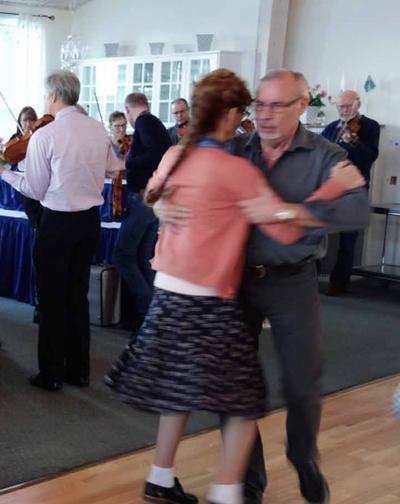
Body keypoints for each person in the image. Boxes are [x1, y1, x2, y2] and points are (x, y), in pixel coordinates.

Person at [106, 68, 362, 504]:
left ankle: (171, 476)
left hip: (225, 287)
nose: (259, 115)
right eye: (254, 106)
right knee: (241, 399)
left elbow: (151, 191)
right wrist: (327, 193)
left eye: (273, 105)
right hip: (221, 291)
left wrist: (165, 204)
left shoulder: (179, 155)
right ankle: (235, 490)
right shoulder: (235, 159)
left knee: (201, 388)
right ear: (232, 113)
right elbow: (275, 227)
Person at [0, 70, 122, 392]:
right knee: (76, 297)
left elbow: (34, 188)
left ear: (54, 96)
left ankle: (51, 374)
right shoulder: (98, 129)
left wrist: (4, 172)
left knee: (51, 299)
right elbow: (115, 168)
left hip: (57, 221)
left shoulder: (46, 135)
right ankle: (79, 371)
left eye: (47, 95)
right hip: (89, 221)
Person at [115, 92, 173, 331]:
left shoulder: (144, 122)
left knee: (123, 255)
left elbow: (157, 153)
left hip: (143, 197)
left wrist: (126, 163)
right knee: (142, 257)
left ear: (129, 110)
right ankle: (152, 316)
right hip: (151, 198)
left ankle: (150, 313)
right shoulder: (153, 122)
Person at [320, 90, 380, 296]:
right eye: (341, 107)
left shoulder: (370, 127)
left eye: (348, 106)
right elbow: (321, 156)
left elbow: (369, 157)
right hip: (330, 187)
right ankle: (312, 279)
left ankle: (339, 282)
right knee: (319, 233)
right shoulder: (330, 128)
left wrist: (353, 139)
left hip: (354, 189)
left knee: (348, 241)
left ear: (358, 105)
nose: (344, 111)